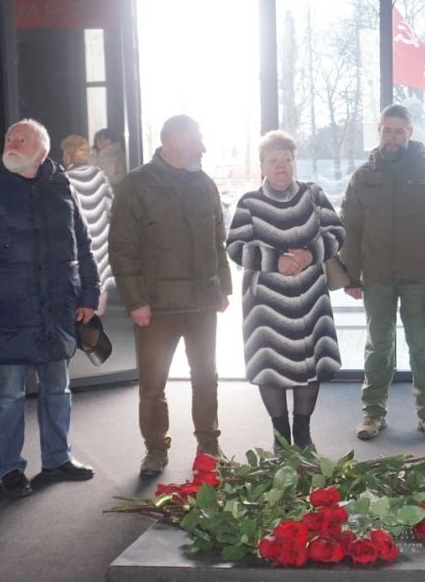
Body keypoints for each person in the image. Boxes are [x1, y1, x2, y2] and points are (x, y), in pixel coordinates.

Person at [0, 119, 100, 499]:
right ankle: (10, 467)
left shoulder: (63, 191)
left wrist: (89, 295)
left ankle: (57, 457)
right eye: (9, 138)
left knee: (58, 389)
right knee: (7, 396)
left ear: (42, 152)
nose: (12, 144)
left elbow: (83, 246)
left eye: (22, 139)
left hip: (57, 308)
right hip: (6, 310)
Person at [109, 114, 231, 478]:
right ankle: (155, 448)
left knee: (206, 377)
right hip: (156, 306)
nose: (202, 147)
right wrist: (136, 300)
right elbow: (122, 247)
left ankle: (208, 444)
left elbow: (218, 241)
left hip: (202, 302)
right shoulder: (136, 185)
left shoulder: (205, 184)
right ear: (174, 141)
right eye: (196, 140)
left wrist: (223, 287)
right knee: (153, 384)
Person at [339, 104, 425, 443]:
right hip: (376, 277)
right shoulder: (363, 176)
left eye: (399, 131)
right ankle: (372, 413)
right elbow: (350, 228)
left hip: (420, 275)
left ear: (410, 133)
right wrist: (351, 276)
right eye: (387, 131)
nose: (392, 138)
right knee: (378, 347)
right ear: (379, 131)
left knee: (421, 347)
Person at [227, 131, 345, 449]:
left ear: (294, 161)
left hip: (311, 299)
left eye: (286, 159)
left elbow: (336, 232)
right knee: (271, 369)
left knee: (311, 367)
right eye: (272, 160)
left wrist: (310, 255)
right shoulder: (249, 202)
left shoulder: (314, 195)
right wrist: (274, 261)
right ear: (262, 166)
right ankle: (280, 436)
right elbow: (235, 247)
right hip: (266, 305)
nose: (280, 166)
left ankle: (303, 434)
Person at [60, 134, 117, 302]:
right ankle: (98, 318)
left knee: (79, 288)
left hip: (77, 243)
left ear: (67, 155)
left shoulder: (64, 179)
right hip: (100, 242)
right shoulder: (99, 175)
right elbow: (110, 206)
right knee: (100, 285)